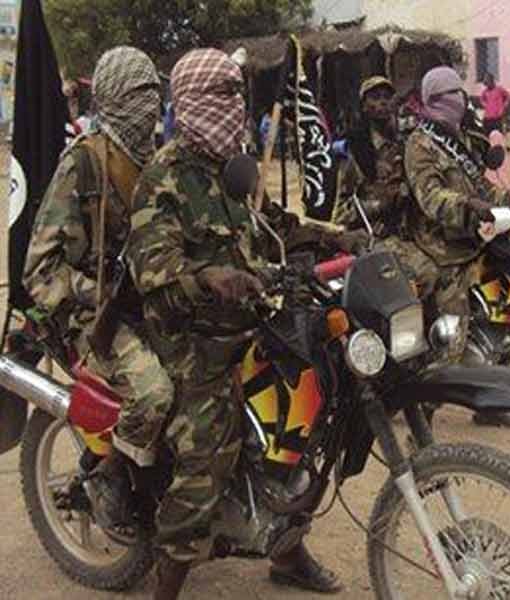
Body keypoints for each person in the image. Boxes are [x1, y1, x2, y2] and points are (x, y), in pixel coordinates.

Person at [126, 48, 362, 598]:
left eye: (238, 93)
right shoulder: (163, 177)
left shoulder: (233, 166)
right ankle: (169, 581)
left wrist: (336, 238)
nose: (235, 105)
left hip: (249, 320)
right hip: (192, 338)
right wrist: (208, 276)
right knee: (209, 450)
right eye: (223, 94)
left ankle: (286, 549)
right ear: (191, 101)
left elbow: (272, 225)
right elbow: (150, 270)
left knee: (308, 415)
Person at [23, 47, 173, 529]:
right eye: (135, 95)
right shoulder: (83, 164)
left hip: (149, 304)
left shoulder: (157, 160)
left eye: (152, 93)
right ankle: (112, 473)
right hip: (92, 315)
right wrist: (99, 293)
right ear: (110, 99)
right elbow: (40, 268)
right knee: (153, 393)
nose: (148, 106)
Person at [400, 66, 510, 426]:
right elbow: (431, 198)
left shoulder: (459, 138)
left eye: (460, 92)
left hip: (475, 237)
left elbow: (485, 190)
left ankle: (488, 402)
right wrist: (471, 207)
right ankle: (422, 417)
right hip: (440, 247)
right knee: (454, 332)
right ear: (433, 99)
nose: (460, 99)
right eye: (451, 93)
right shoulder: (419, 144)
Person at [332, 76, 409, 238]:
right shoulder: (355, 150)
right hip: (372, 236)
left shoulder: (406, 143)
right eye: (375, 97)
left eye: (387, 97)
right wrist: (378, 206)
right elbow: (339, 213)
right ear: (364, 106)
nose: (383, 102)